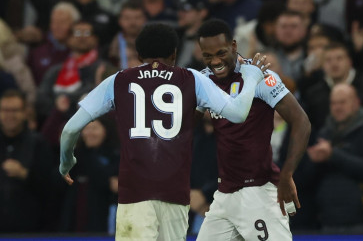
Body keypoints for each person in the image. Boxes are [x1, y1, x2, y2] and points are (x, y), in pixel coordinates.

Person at [59, 23, 269, 240]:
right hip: (175, 196)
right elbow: (237, 113)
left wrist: (66, 161)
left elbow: (70, 129)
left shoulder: (118, 80)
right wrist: (252, 77)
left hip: (134, 196)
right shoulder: (192, 78)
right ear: (174, 54)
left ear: (139, 56)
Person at [196, 19, 311, 240]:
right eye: (207, 56)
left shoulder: (259, 76)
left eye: (220, 53)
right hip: (224, 194)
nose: (215, 62)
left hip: (258, 191)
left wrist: (287, 174)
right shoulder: (204, 80)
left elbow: (301, 121)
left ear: (234, 46)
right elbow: (186, 128)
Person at [307, 84, 363, 232]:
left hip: (361, 222)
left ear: (356, 103)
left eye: (342, 102)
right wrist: (313, 161)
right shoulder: (325, 132)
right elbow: (312, 177)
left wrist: (333, 155)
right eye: (333, 103)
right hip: (327, 219)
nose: (337, 107)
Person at [0, 89, 56, 232]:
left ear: (25, 112)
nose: (9, 115)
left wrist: (25, 174)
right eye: (5, 110)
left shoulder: (38, 144)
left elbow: (52, 188)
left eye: (15, 110)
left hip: (30, 231)